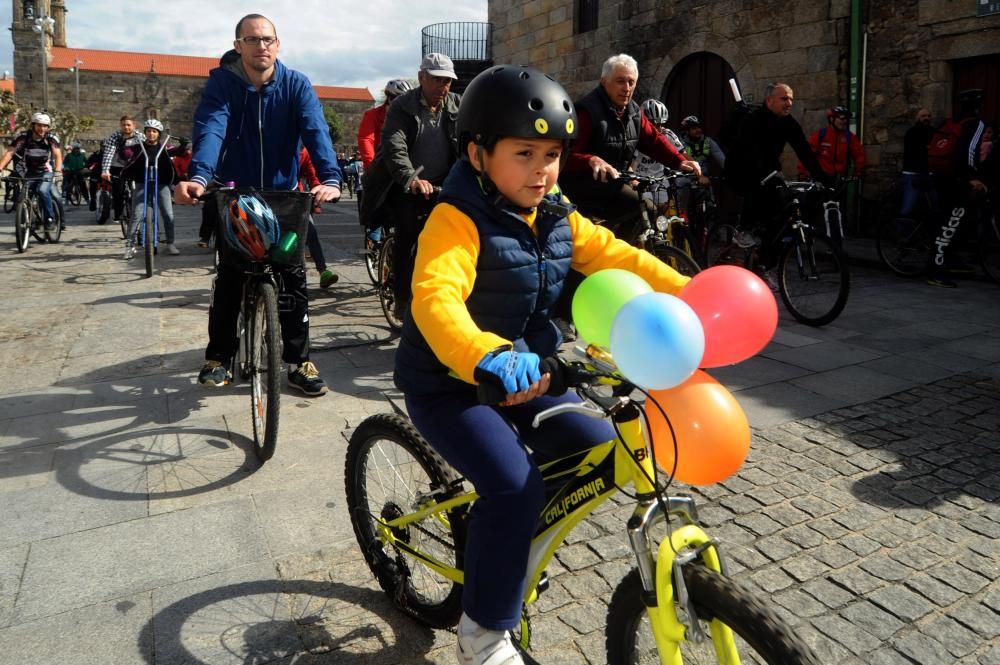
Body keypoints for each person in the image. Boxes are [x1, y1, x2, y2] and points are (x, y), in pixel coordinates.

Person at [394, 64, 691, 665]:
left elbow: (618, 256)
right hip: (454, 386)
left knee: (603, 447)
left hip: (532, 374)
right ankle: (480, 631)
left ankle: (504, 546)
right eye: (524, 152)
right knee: (513, 486)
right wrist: (487, 356)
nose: (542, 169)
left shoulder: (554, 212)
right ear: (478, 154)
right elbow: (436, 300)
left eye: (552, 154)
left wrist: (692, 294)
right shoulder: (455, 219)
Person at [174, 13, 342, 395]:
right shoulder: (223, 84)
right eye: (252, 40)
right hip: (237, 195)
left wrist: (329, 179)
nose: (261, 45)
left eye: (267, 39)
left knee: (293, 278)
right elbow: (212, 127)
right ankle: (218, 356)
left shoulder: (296, 85)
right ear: (238, 46)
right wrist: (199, 177)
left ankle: (300, 362)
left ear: (278, 44)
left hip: (283, 198)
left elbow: (315, 130)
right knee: (232, 277)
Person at [558, 54, 701, 242]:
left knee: (646, 210)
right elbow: (563, 156)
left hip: (611, 186)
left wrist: (681, 162)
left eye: (631, 82)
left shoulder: (633, 112)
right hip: (580, 190)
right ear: (604, 82)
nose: (627, 88)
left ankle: (618, 255)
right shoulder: (586, 111)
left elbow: (654, 140)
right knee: (581, 243)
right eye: (620, 81)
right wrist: (591, 160)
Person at [363, 52, 461, 320]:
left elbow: (468, 142)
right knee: (408, 236)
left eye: (448, 82)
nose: (444, 87)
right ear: (421, 77)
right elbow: (395, 147)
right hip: (408, 183)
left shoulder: (455, 104)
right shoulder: (402, 107)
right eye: (438, 80)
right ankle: (403, 299)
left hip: (443, 183)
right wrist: (411, 178)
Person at [725, 82, 829, 276]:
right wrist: (768, 173)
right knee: (757, 189)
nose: (789, 103)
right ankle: (744, 229)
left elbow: (804, 151)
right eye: (784, 98)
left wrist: (823, 177)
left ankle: (762, 264)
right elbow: (750, 152)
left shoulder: (788, 122)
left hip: (769, 171)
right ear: (769, 100)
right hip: (741, 169)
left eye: (791, 99)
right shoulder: (753, 120)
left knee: (782, 216)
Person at [925, 88, 988, 288]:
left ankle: (951, 260)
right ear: (978, 106)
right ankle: (935, 271)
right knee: (950, 222)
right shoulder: (976, 123)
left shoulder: (949, 121)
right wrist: (972, 177)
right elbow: (970, 150)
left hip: (938, 175)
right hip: (955, 178)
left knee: (954, 219)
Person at [121, 119, 179, 254]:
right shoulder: (138, 146)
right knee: (136, 214)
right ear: (145, 132)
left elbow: (177, 151)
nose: (151, 134)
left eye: (154, 131)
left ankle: (170, 243)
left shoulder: (164, 146)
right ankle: (129, 246)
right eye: (148, 131)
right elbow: (126, 155)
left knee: (168, 214)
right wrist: (121, 147)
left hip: (161, 183)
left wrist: (183, 146)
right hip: (142, 182)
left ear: (158, 134)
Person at [0, 112, 62, 231]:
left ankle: (50, 219)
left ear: (48, 127)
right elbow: (10, 153)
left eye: (45, 126)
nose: (42, 128)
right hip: (29, 172)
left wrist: (58, 171)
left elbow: (57, 155)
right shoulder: (23, 138)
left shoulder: (51, 139)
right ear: (33, 125)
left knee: (43, 191)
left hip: (46, 171)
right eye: (39, 125)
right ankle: (30, 218)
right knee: (24, 194)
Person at [630, 99, 686, 208]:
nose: (658, 128)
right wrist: (633, 180)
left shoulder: (667, 134)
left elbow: (683, 154)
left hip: (658, 178)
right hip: (640, 179)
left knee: (665, 209)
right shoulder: (636, 137)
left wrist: (696, 169)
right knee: (648, 209)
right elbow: (630, 164)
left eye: (660, 124)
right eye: (654, 124)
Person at [298, 145, 338, 288]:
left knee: (311, 232)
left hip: (295, 198)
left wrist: (320, 189)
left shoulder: (305, 153)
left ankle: (322, 271)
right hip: (267, 196)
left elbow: (313, 174)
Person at [798, 106, 866, 180]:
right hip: (820, 177)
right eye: (841, 118)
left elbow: (859, 154)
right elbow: (806, 154)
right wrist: (802, 173)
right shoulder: (821, 135)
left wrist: (859, 171)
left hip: (839, 179)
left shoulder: (849, 137)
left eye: (846, 118)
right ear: (831, 119)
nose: (844, 121)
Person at [100, 116, 145, 225]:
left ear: (134, 126)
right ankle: (118, 213)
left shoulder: (140, 137)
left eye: (129, 125)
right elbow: (108, 154)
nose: (126, 127)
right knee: (118, 191)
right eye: (124, 125)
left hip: (135, 166)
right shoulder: (115, 137)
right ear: (120, 126)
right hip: (118, 167)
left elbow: (146, 151)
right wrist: (105, 170)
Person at [358, 79, 412, 169]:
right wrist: (372, 167)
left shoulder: (410, 117)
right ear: (390, 99)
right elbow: (366, 140)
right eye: (401, 101)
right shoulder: (372, 115)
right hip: (380, 167)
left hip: (405, 167)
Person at [679, 114, 725, 213]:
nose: (698, 130)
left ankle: (708, 226)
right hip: (685, 179)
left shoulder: (708, 142)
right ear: (687, 131)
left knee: (711, 208)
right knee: (683, 208)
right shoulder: (680, 143)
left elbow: (722, 159)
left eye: (699, 127)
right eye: (694, 128)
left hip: (704, 180)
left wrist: (730, 171)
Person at [899, 108, 935, 217]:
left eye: (928, 116)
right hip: (913, 174)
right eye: (923, 116)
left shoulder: (933, 132)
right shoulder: (912, 132)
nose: (926, 118)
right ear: (917, 117)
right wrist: (927, 148)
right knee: (908, 208)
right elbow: (914, 151)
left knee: (933, 207)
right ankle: (903, 231)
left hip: (928, 173)